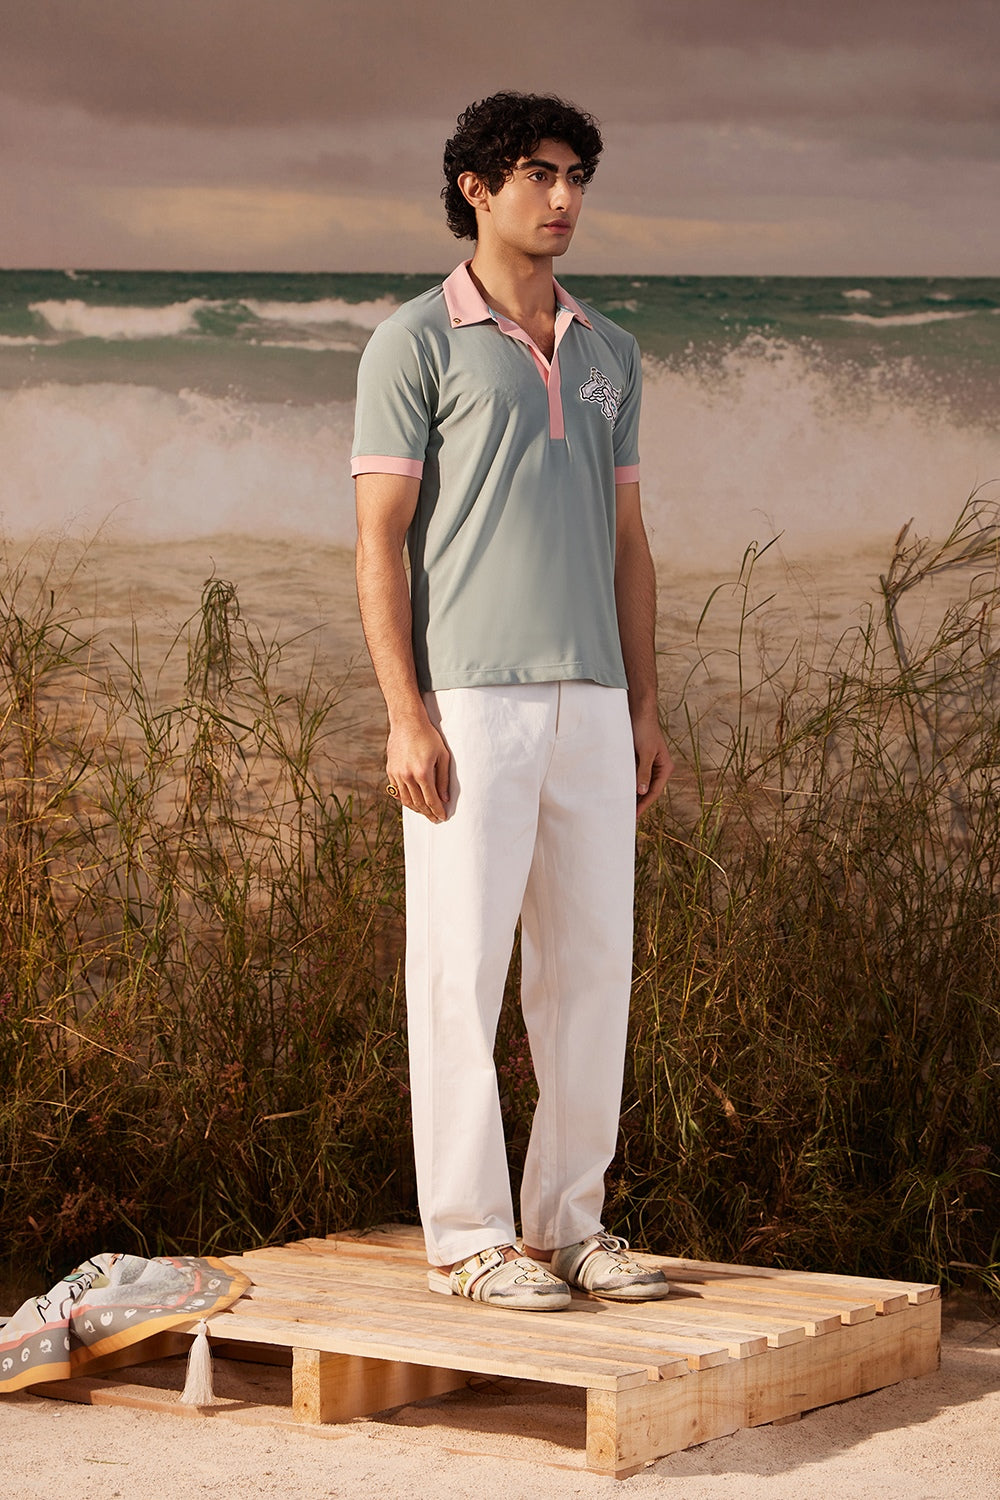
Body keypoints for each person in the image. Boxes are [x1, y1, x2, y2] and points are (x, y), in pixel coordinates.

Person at [353, 91, 674, 1311]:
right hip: (469, 699)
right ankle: (470, 1241)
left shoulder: (609, 352)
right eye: (539, 173)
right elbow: (378, 543)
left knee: (591, 970)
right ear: (476, 188)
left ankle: (570, 1224)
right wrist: (406, 713)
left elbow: (628, 541)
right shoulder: (413, 344)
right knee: (459, 970)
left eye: (577, 174)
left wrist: (643, 705)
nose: (564, 196)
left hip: (592, 698)